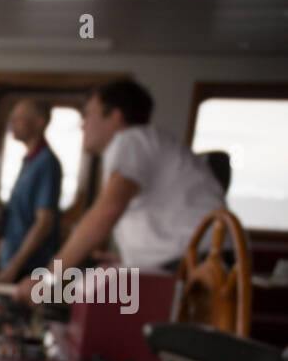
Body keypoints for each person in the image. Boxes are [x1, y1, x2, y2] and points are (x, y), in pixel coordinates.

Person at [15, 79, 226, 302]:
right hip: (198, 266)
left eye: (88, 115)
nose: (83, 124)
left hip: (199, 272)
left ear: (115, 116)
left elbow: (107, 212)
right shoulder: (148, 142)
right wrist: (130, 259)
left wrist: (48, 279)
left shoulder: (130, 141)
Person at [0, 99, 62, 283]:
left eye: (19, 118)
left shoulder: (46, 163)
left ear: (40, 122)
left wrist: (13, 268)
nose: (12, 124)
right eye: (12, 118)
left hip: (29, 269)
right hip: (11, 262)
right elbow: (13, 221)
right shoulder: (29, 162)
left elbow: (44, 223)